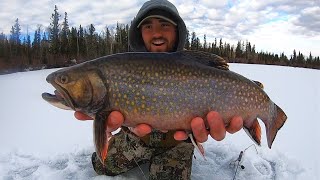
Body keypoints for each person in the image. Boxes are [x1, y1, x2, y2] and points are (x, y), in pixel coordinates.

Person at [75, 0, 243, 179]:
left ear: (177, 31)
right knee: (100, 166)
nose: (156, 33)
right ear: (139, 33)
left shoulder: (194, 67)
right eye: (148, 26)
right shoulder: (123, 67)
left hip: (178, 142)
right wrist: (110, 125)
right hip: (136, 138)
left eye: (164, 25)